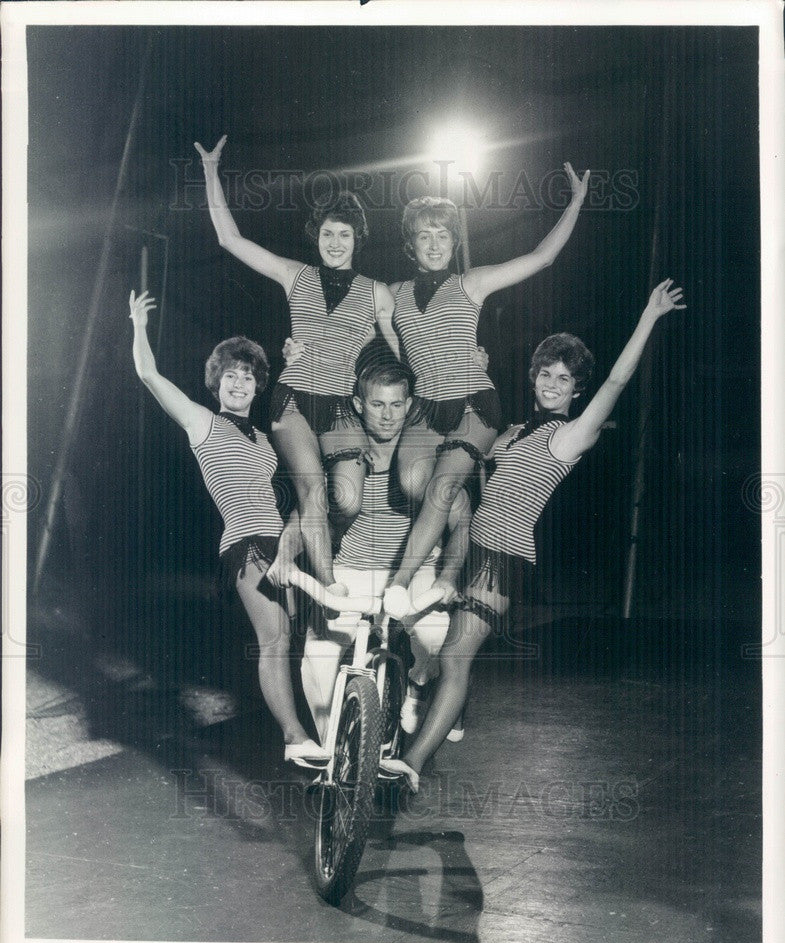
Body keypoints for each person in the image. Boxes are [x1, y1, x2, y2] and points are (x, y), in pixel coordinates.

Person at [381, 279, 686, 791]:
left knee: (455, 656)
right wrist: (471, 372)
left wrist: (649, 318)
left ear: (575, 389)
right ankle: (450, 711)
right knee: (418, 636)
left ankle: (410, 764)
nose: (551, 383)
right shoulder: (515, 431)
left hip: (503, 559)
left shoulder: (570, 437)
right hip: (464, 546)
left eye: (563, 379)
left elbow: (614, 382)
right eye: (545, 373)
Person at [128, 290, 329, 768]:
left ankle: (325, 738)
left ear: (257, 386)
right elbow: (148, 375)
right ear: (216, 385)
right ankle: (294, 736)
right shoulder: (202, 424)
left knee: (300, 641)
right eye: (229, 376)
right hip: (244, 543)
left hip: (283, 540)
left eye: (247, 376)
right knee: (275, 640)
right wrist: (138, 326)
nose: (238, 383)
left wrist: (294, 363)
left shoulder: (263, 438)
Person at [194, 135, 400, 593]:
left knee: (345, 500)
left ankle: (312, 547)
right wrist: (211, 171)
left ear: (357, 239)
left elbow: (398, 359)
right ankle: (327, 582)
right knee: (311, 490)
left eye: (344, 234)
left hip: (342, 406)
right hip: (294, 401)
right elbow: (230, 239)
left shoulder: (377, 292)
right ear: (317, 236)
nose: (334, 242)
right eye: (327, 233)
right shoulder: (295, 276)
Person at [383, 164, 590, 619]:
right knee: (413, 485)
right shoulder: (391, 295)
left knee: (440, 487)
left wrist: (574, 203)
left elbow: (541, 258)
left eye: (442, 236)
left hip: (474, 403)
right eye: (424, 236)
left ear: (454, 243)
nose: (434, 244)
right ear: (410, 244)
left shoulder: (470, 283)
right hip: (425, 409)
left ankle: (398, 586)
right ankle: (461, 516)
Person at [266, 359, 469, 744]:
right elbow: (308, 511)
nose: (388, 415)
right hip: (354, 569)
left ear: (410, 405)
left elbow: (461, 520)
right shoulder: (344, 450)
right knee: (320, 656)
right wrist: (284, 555)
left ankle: (418, 687)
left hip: (415, 572)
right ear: (359, 404)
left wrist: (447, 577)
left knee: (444, 646)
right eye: (378, 405)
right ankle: (335, 756)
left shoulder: (426, 454)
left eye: (397, 405)